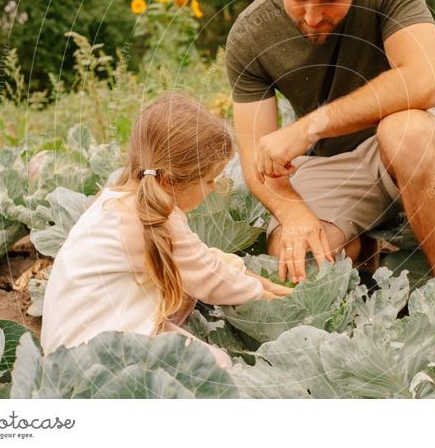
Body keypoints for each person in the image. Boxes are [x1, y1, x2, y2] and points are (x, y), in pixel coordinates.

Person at [226, 0, 435, 286]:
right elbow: (259, 161)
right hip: (335, 164)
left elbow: (424, 82)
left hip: (412, 141)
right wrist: (295, 214)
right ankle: (370, 249)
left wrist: (311, 127)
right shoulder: (249, 35)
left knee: (404, 134)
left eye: (329, 1)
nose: (311, 16)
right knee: (298, 259)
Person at [41, 93, 291, 368]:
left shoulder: (120, 200)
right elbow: (208, 277)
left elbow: (198, 257)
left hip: (74, 338)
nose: (212, 190)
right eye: (209, 181)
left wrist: (251, 277)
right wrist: (263, 295)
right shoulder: (156, 219)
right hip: (92, 353)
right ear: (171, 180)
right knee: (215, 367)